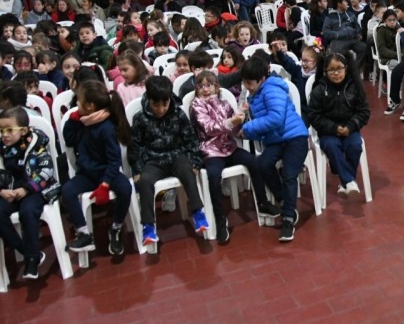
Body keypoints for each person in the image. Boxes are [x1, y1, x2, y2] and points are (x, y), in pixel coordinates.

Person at [190, 71, 272, 243]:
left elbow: (233, 132)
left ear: (216, 87)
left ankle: (263, 202)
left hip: (229, 147)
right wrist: (231, 122)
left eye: (209, 85)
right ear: (196, 89)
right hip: (211, 152)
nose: (205, 89)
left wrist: (240, 118)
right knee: (213, 177)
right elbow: (209, 128)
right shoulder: (196, 106)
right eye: (201, 86)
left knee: (253, 162)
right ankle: (220, 219)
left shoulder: (225, 103)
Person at [129, 76, 209, 247]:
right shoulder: (140, 118)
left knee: (188, 171)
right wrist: (137, 170)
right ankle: (149, 226)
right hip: (153, 160)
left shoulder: (178, 114)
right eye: (156, 105)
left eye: (164, 104)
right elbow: (134, 146)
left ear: (170, 100)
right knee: (145, 181)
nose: (161, 109)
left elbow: (191, 139)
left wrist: (195, 161)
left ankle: (198, 213)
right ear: (149, 100)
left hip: (176, 155)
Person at [240, 56, 308, 242]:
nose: (246, 86)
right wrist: (246, 131)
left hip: (296, 138)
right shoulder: (254, 94)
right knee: (263, 164)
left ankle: (287, 219)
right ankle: (285, 201)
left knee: (288, 173)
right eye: (244, 82)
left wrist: (248, 129)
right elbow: (264, 126)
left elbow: (275, 119)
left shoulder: (271, 89)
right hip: (276, 140)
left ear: (261, 79)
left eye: (249, 82)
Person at [61, 81, 132, 256]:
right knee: (67, 191)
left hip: (107, 173)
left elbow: (114, 161)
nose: (76, 104)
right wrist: (72, 121)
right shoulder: (81, 121)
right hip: (86, 174)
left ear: (90, 106)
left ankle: (116, 228)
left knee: (125, 189)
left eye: (78, 101)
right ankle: (84, 232)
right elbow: (69, 140)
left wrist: (105, 184)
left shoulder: (106, 128)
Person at [0, 106, 58, 279]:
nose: (4, 135)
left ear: (24, 130)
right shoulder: (2, 149)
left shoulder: (36, 144)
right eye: (1, 130)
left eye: (9, 130)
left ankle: (31, 260)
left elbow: (46, 172)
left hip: (35, 191)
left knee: (28, 211)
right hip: (9, 192)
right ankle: (28, 252)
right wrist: (2, 191)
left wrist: (26, 189)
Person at [307, 52, 370, 196]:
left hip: (350, 128)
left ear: (346, 68)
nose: (336, 73)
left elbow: (364, 112)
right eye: (331, 70)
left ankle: (345, 182)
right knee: (332, 146)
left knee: (354, 145)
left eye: (339, 69)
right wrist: (333, 128)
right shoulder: (319, 90)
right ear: (325, 71)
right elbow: (314, 116)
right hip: (328, 131)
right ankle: (348, 181)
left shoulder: (355, 87)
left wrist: (351, 127)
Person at [322, 0, 368, 70]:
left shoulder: (350, 14)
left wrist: (358, 33)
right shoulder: (330, 17)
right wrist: (337, 35)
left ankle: (353, 70)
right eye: (345, 1)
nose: (348, 3)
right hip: (338, 41)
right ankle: (341, 70)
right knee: (337, 53)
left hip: (352, 39)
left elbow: (357, 26)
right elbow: (325, 32)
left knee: (363, 47)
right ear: (339, 4)